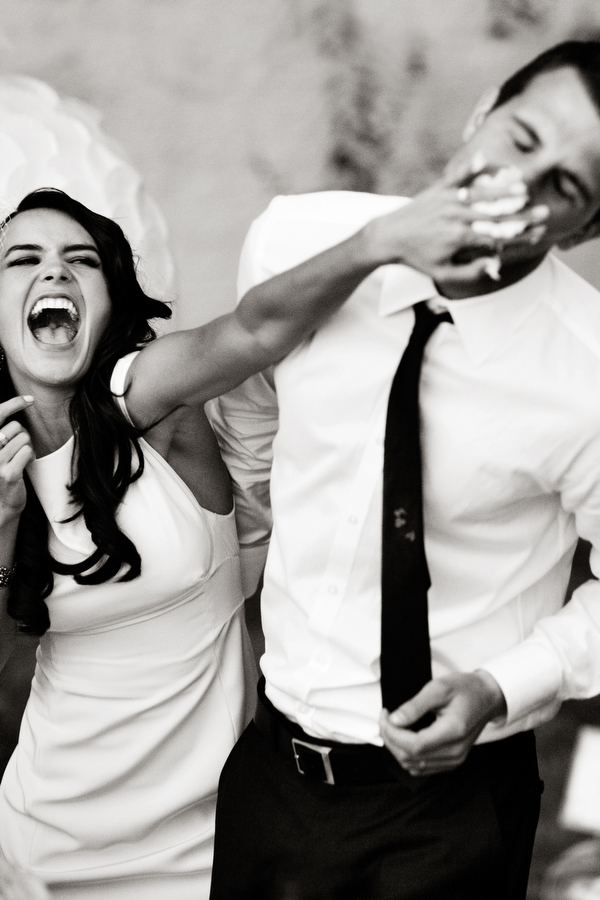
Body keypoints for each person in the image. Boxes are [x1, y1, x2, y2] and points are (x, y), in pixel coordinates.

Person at [0, 180, 527, 900]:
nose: (55, 272)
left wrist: (377, 244)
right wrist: (3, 523)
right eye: (23, 259)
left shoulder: (148, 402)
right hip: (45, 836)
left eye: (81, 259)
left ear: (111, 298)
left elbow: (253, 332)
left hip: (205, 837)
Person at [207, 40, 600, 900]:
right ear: (482, 111)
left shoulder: (589, 375)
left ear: (586, 228)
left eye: (565, 186)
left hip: (449, 813)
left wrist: (500, 689)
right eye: (521, 137)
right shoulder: (298, 240)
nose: (520, 184)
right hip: (269, 776)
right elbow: (252, 408)